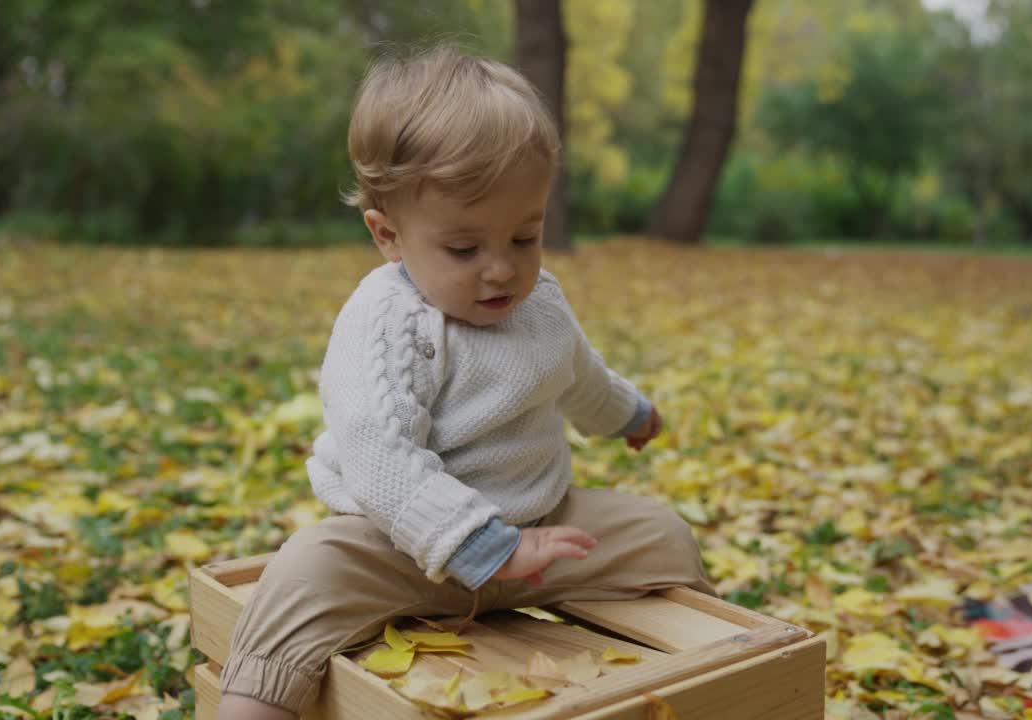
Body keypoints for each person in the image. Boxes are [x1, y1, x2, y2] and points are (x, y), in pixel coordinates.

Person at [217, 45, 714, 720]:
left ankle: (702, 674)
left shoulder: (539, 305)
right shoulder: (387, 322)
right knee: (302, 573)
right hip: (400, 549)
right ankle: (254, 707)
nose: (502, 270)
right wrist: (483, 546)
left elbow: (579, 375)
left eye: (525, 237)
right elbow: (378, 454)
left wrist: (629, 414)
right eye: (464, 249)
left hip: (540, 535)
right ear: (389, 235)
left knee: (661, 535)